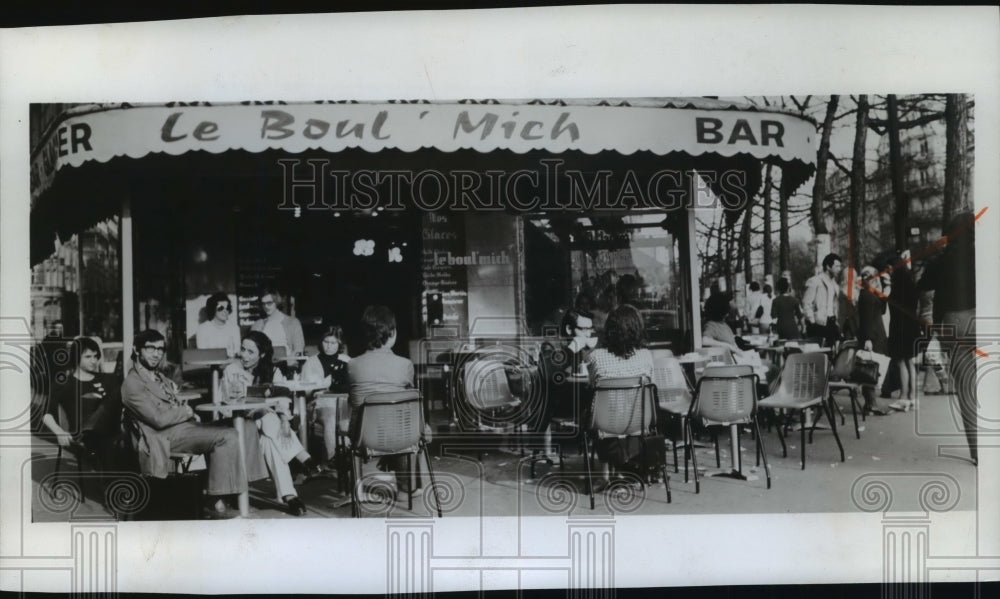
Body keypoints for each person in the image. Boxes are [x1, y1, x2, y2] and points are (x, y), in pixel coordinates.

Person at [121, 329, 267, 520]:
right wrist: (187, 412)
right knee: (227, 435)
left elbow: (171, 404)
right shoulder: (133, 383)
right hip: (163, 437)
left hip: (184, 429)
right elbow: (158, 419)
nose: (157, 353)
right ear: (136, 349)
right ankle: (215, 500)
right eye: (150, 348)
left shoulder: (158, 376)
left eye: (160, 349)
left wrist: (183, 409)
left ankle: (239, 489)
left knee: (246, 424)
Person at [220, 331, 321, 515]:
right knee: (267, 417)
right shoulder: (231, 371)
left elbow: (283, 399)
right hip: (239, 423)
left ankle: (290, 496)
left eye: (250, 352)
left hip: (264, 428)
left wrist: (284, 420)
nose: (244, 355)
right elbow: (224, 406)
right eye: (243, 349)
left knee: (270, 440)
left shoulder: (272, 371)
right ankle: (302, 457)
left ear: (262, 354)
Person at [348, 305, 427, 497]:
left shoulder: (352, 365)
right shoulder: (405, 365)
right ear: (392, 333)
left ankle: (357, 488)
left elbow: (352, 399)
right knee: (406, 421)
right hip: (401, 435)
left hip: (364, 437)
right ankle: (407, 487)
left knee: (385, 420)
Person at [919, 210, 978, 464]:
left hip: (954, 323)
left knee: (967, 389)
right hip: (985, 316)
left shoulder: (942, 260)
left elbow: (922, 285)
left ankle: (978, 453)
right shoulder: (984, 253)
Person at [585, 305, 654, 488]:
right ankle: (629, 465)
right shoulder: (646, 356)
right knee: (627, 406)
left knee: (593, 408)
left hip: (605, 421)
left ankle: (606, 474)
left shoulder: (596, 357)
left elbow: (592, 386)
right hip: (638, 420)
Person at [43, 337, 123, 467]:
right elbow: (46, 414)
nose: (94, 361)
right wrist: (59, 431)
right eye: (88, 357)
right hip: (83, 436)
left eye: (96, 356)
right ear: (76, 358)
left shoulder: (108, 379)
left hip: (109, 432)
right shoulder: (65, 384)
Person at [301, 325, 352, 463]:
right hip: (319, 406)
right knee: (330, 416)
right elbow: (305, 391)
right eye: (326, 342)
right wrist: (325, 383)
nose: (329, 346)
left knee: (346, 417)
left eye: (333, 343)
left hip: (344, 404)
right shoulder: (311, 363)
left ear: (339, 344)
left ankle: (349, 458)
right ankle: (334, 459)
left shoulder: (347, 360)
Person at [887, 250, 922, 412]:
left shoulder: (896, 287)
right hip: (911, 326)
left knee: (901, 361)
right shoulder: (910, 283)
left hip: (900, 327)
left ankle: (903, 398)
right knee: (910, 362)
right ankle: (913, 398)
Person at [857, 265, 891, 415]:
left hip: (875, 334)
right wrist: (868, 339)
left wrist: (885, 289)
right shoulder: (866, 295)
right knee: (870, 368)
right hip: (873, 336)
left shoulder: (869, 294)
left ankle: (871, 404)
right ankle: (871, 404)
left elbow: (881, 308)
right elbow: (866, 320)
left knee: (872, 368)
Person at [251, 288, 304, 363]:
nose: (266, 306)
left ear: (276, 302)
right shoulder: (257, 324)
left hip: (287, 364)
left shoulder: (293, 322)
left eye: (269, 303)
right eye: (263, 304)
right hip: (263, 365)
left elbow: (298, 349)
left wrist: (289, 362)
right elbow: (252, 349)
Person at [802, 253, 843, 346]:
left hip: (832, 323)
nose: (839, 269)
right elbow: (806, 302)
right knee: (818, 355)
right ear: (828, 267)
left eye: (840, 267)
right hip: (818, 324)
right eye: (837, 266)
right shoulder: (815, 281)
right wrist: (812, 321)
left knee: (832, 355)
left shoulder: (835, 285)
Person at [195, 292, 241, 358]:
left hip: (231, 364)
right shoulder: (202, 329)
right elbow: (203, 355)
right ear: (213, 308)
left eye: (227, 308)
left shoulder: (235, 328)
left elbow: (237, 352)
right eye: (221, 308)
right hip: (210, 366)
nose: (225, 311)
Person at [701, 292, 745, 357]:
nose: (727, 314)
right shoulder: (711, 325)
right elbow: (705, 340)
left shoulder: (724, 324)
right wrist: (728, 346)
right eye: (725, 312)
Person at [560, 309, 598, 375]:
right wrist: (571, 349)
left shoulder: (587, 349)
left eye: (590, 329)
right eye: (584, 329)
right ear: (569, 329)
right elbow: (551, 372)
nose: (588, 334)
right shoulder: (555, 345)